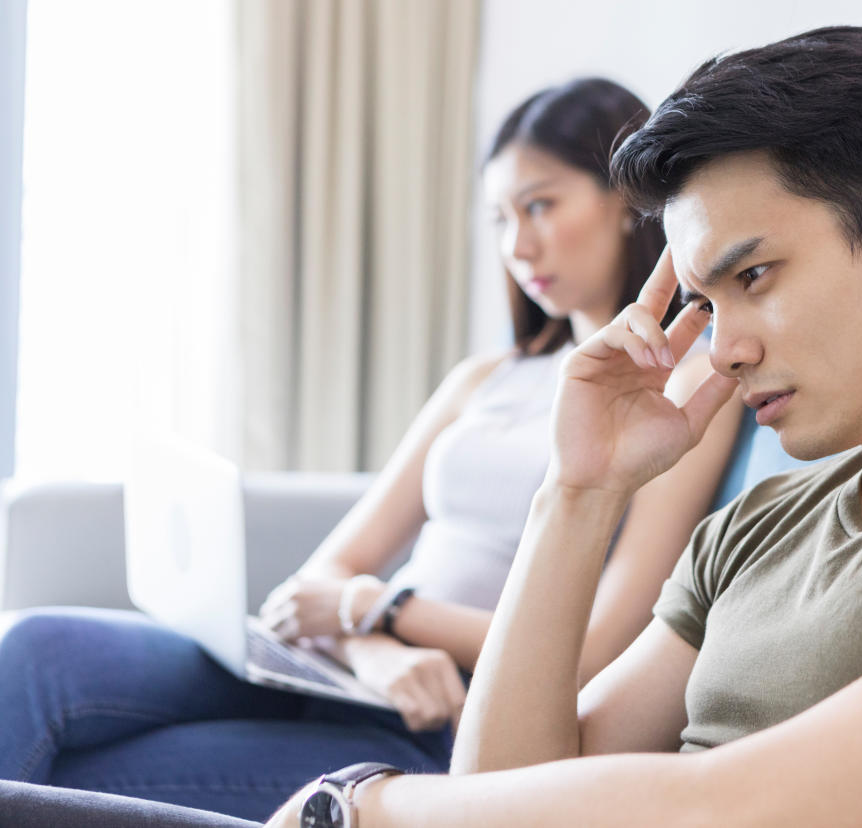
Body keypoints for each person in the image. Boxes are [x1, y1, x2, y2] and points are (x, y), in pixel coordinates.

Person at [2, 25, 862, 828]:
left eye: (755, 277)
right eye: (701, 300)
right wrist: (576, 496)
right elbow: (516, 795)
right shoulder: (771, 521)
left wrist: (362, 806)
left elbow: (741, 813)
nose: (725, 340)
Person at [0, 78, 742, 821]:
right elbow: (322, 574)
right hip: (349, 671)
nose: (518, 246)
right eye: (501, 218)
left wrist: (373, 607)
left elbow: (595, 651)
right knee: (35, 652)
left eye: (540, 205)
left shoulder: (689, 385)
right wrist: (373, 645)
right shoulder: (487, 376)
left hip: (441, 720)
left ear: (625, 202)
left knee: (75, 764)